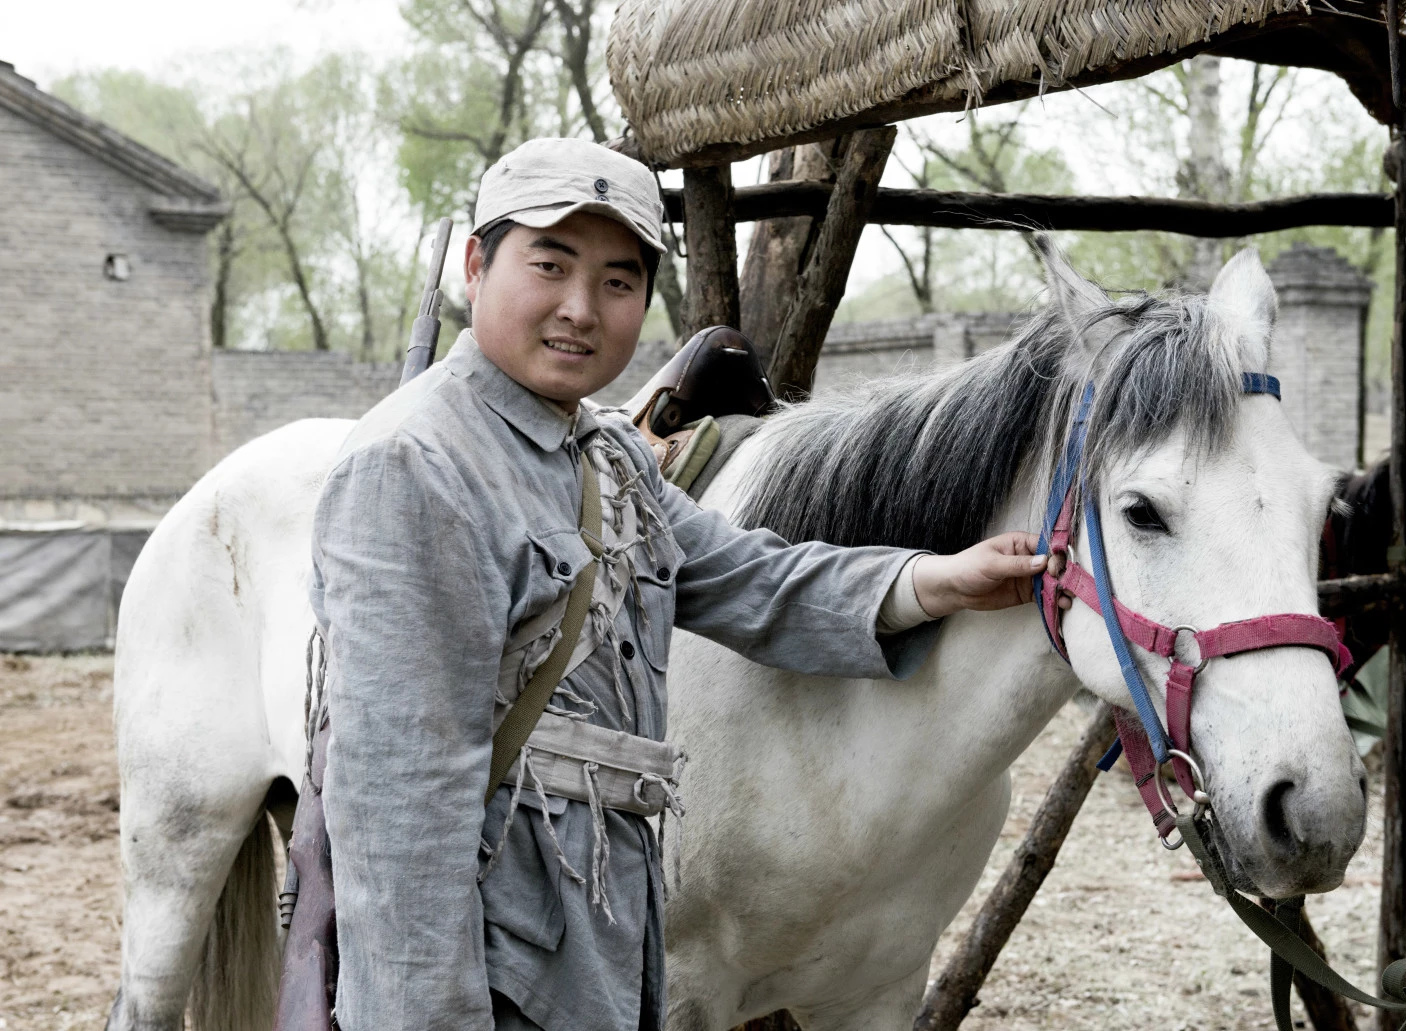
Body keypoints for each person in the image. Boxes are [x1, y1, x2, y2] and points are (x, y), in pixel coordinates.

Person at [310, 137, 1048, 1031]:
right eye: (549, 264)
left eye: (619, 282)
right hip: (492, 959)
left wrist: (936, 581)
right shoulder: (414, 464)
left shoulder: (610, 453)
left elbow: (750, 577)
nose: (580, 309)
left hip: (606, 937)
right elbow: (400, 814)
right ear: (476, 264)